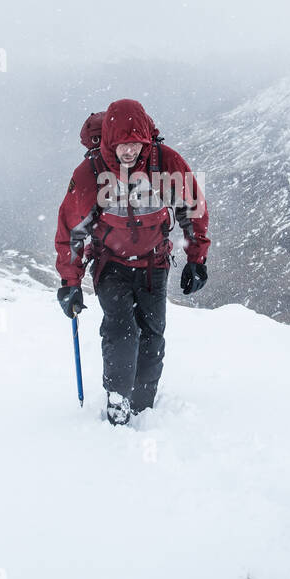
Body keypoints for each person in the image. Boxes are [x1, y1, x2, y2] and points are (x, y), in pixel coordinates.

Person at [54, 99, 210, 425]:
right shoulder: (92, 171)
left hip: (155, 263)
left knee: (152, 333)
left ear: (145, 140)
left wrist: (197, 259)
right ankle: (117, 399)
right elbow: (72, 230)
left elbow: (192, 208)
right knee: (121, 330)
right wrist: (70, 282)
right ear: (110, 140)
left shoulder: (164, 162)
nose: (128, 151)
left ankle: (142, 406)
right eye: (122, 144)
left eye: (135, 144)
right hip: (111, 265)